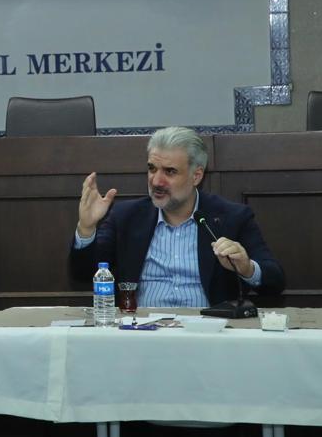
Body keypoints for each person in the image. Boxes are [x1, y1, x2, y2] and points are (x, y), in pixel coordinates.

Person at [70, 126, 284, 307]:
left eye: (170, 171)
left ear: (196, 176)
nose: (156, 181)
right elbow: (82, 275)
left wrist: (247, 268)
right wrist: (86, 229)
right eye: (152, 169)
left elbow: (275, 281)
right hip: (141, 332)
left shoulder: (232, 217)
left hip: (208, 332)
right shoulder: (127, 217)